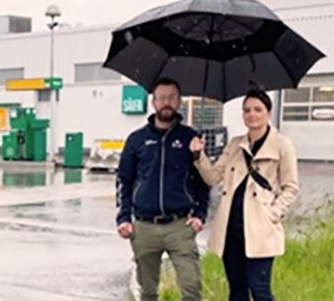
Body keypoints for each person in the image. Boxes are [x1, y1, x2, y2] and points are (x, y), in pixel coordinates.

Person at [189, 89, 299, 301]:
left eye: (258, 109)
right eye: (247, 110)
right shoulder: (236, 144)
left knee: (260, 291)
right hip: (231, 229)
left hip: (261, 229)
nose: (252, 114)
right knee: (237, 289)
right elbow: (212, 177)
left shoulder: (282, 145)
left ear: (268, 112)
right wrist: (198, 155)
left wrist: (272, 214)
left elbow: (291, 188)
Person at [116, 78, 209, 301]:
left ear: (179, 102)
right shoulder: (137, 139)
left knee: (191, 287)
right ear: (153, 101)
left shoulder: (190, 138)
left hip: (180, 226)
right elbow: (124, 180)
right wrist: (123, 217)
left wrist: (200, 214)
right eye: (162, 98)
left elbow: (203, 181)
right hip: (145, 227)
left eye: (172, 98)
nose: (166, 102)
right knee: (148, 291)